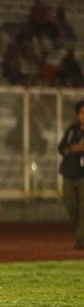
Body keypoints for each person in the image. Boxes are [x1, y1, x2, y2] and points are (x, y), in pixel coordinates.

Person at [57, 99, 84, 250]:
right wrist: (67, 150)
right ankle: (81, 234)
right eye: (82, 113)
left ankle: (81, 242)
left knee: (83, 209)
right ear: (78, 114)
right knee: (71, 206)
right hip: (69, 172)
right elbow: (61, 147)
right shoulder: (72, 130)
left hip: (83, 175)